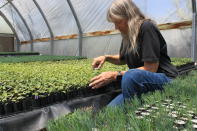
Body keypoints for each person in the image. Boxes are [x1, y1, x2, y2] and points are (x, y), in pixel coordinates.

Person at [89, 0, 178, 106]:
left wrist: (115, 75)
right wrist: (106, 57)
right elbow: (122, 59)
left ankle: (134, 114)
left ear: (129, 17)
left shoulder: (147, 27)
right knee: (111, 110)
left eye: (118, 22)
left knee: (130, 76)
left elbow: (151, 68)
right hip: (139, 82)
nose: (116, 27)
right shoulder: (128, 35)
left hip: (163, 79)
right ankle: (135, 107)